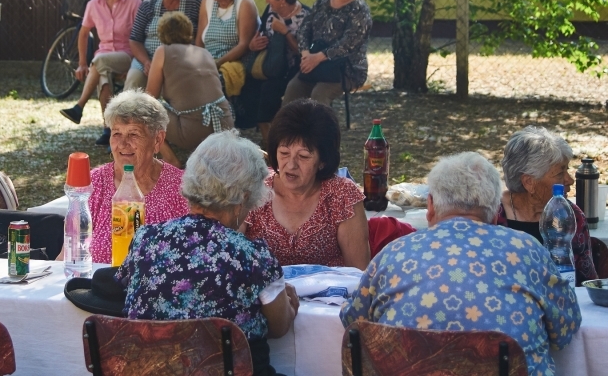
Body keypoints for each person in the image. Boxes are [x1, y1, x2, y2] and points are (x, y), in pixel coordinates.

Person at [341, 152, 581, 376]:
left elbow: (353, 323)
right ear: (496, 208)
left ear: (431, 205)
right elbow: (565, 329)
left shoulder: (392, 254)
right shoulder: (528, 251)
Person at [116, 130, 299, 376]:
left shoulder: (146, 239)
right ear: (244, 197)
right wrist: (288, 305)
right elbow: (279, 328)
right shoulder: (253, 256)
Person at [242, 99, 370, 269]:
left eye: (303, 156)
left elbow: (359, 272)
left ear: (322, 161)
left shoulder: (342, 195)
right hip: (266, 294)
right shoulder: (253, 189)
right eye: (284, 153)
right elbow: (229, 259)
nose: (291, 165)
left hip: (332, 293)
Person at [83, 90, 189, 264]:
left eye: (133, 134)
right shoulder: (94, 184)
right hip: (99, 288)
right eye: (116, 133)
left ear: (157, 140)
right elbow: (69, 255)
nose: (123, 144)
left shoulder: (182, 189)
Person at [60, 0, 142, 146]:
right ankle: (109, 129)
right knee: (103, 75)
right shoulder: (94, 4)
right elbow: (83, 33)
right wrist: (81, 63)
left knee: (99, 62)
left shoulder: (133, 1)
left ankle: (79, 105)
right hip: (104, 58)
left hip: (127, 55)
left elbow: (140, 36)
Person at [499, 125, 597, 286]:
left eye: (567, 170)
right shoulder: (490, 216)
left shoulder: (572, 215)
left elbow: (588, 283)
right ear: (529, 182)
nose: (570, 180)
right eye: (559, 173)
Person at [145, 11, 234, 168]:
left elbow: (149, 97)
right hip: (223, 126)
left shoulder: (162, 51)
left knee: (143, 109)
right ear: (188, 31)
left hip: (191, 131)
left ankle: (171, 159)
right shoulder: (204, 52)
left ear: (162, 33)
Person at [282, 0, 372, 107]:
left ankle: (323, 130)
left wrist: (318, 58)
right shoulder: (321, 2)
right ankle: (290, 130)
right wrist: (305, 54)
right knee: (293, 89)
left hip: (347, 69)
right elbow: (304, 29)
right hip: (314, 64)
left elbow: (347, 44)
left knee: (320, 94)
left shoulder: (360, 10)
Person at [237, 0, 309, 140]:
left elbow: (304, 52)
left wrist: (285, 33)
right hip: (269, 65)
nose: (266, 0)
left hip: (293, 69)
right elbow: (260, 36)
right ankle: (266, 137)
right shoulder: (270, 11)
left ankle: (275, 141)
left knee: (269, 90)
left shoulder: (305, 16)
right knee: (248, 85)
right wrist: (253, 45)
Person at [125, 0, 203, 91]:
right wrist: (146, 62)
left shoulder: (195, 2)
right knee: (134, 79)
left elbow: (201, 36)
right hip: (148, 60)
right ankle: (127, 111)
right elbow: (135, 40)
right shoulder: (148, 4)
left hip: (183, 61)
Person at [195, 0, 260, 99]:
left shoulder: (245, 3)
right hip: (209, 61)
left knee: (210, 82)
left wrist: (218, 63)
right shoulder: (207, 1)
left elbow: (244, 45)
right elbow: (199, 41)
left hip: (234, 63)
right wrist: (198, 62)